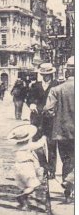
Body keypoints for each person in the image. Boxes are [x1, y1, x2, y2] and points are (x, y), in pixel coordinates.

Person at [44, 57, 75, 200]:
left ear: (67, 71)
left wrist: (57, 117)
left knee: (67, 160)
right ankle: (70, 181)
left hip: (62, 132)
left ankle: (68, 194)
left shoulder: (56, 90)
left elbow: (48, 110)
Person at [27, 63, 57, 179]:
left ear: (51, 74)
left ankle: (52, 170)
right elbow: (29, 98)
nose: (46, 76)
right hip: (37, 118)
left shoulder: (56, 85)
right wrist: (31, 104)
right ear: (41, 74)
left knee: (51, 144)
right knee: (36, 144)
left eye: (48, 74)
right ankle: (44, 166)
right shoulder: (35, 86)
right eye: (44, 74)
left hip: (51, 119)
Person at [8, 124, 46, 210]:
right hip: (27, 167)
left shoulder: (15, 147)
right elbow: (39, 144)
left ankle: (24, 205)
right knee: (32, 186)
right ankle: (22, 196)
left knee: (24, 186)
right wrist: (44, 137)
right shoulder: (28, 146)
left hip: (17, 167)